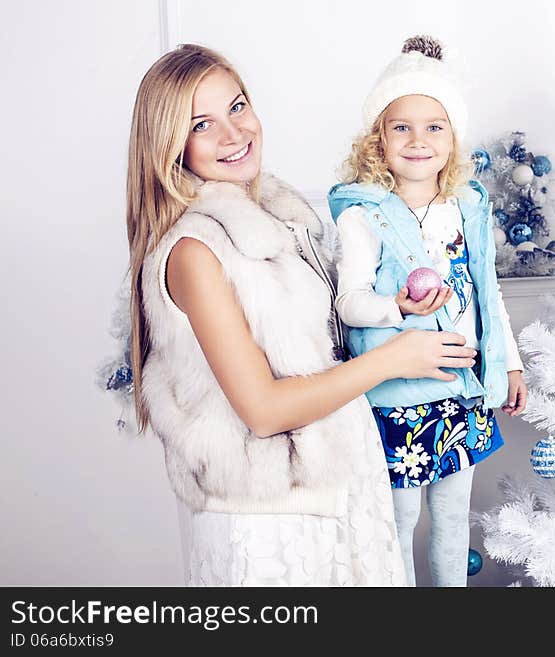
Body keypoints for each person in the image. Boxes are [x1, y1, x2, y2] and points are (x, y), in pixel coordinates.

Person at [125, 43, 478, 586]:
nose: (233, 134)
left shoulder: (282, 219)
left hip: (337, 497)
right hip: (269, 526)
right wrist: (394, 360)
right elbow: (263, 410)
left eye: (237, 107)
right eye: (202, 124)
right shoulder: (195, 251)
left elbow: (332, 340)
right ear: (170, 144)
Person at [328, 36, 528, 587]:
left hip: (459, 390)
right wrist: (395, 306)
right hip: (400, 395)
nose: (419, 140)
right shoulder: (363, 217)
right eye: (401, 127)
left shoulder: (465, 208)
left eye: (434, 126)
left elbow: (487, 292)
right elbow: (349, 303)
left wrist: (508, 363)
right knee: (398, 519)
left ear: (453, 137)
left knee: (453, 518)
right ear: (378, 140)